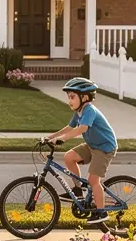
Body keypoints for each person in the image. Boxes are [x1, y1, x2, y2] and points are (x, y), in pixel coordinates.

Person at [44, 77, 118, 224]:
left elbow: (82, 129)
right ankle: (78, 190)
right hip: (92, 145)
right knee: (69, 157)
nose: (69, 100)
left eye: (72, 97)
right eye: (68, 97)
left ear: (84, 97)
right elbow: (70, 127)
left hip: (104, 147)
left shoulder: (89, 110)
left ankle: (101, 212)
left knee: (93, 180)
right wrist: (49, 137)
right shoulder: (79, 111)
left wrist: (62, 139)